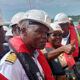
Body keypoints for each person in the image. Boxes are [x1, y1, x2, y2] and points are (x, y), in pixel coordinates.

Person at [0, 9, 55, 80]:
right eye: (39, 31)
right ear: (23, 31)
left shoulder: (35, 56)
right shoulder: (12, 64)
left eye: (46, 33)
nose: (44, 36)